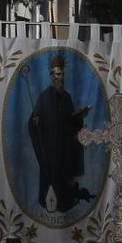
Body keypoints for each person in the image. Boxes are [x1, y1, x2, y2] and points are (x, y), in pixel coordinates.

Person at [27, 54, 93, 213]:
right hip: (50, 149)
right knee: (51, 178)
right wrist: (35, 122)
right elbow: (33, 123)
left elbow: (70, 121)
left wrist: (79, 118)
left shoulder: (67, 96)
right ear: (51, 76)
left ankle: (66, 202)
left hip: (66, 148)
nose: (60, 77)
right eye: (57, 74)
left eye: (62, 74)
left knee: (65, 178)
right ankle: (48, 203)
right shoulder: (45, 96)